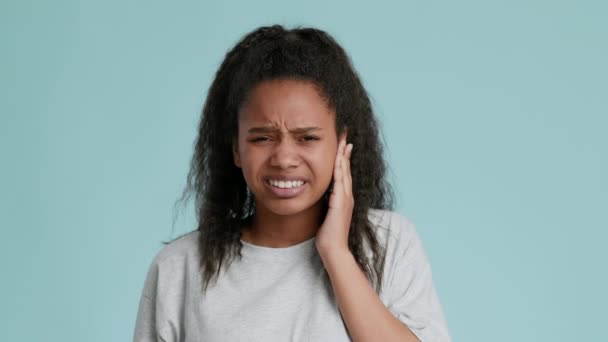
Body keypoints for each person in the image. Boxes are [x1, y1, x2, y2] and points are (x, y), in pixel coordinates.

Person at [133, 24, 451, 342]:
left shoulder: (389, 244)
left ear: (342, 143)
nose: (284, 158)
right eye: (262, 138)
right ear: (235, 148)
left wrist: (335, 252)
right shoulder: (179, 268)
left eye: (307, 138)